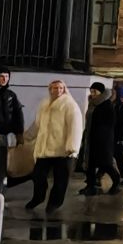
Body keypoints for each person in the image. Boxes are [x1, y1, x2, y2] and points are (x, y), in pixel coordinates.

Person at [22, 79, 83, 214]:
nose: (58, 90)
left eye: (61, 88)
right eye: (55, 88)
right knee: (38, 175)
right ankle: (38, 197)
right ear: (50, 89)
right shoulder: (44, 104)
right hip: (44, 149)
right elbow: (37, 124)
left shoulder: (69, 105)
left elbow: (76, 127)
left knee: (60, 179)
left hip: (63, 150)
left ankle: (54, 203)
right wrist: (27, 136)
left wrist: (72, 147)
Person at [79, 82, 123, 195]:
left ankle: (117, 181)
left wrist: (101, 134)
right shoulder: (92, 103)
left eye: (95, 91)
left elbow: (111, 123)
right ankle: (90, 186)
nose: (93, 94)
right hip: (91, 137)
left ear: (101, 92)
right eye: (91, 91)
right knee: (90, 163)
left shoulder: (107, 104)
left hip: (103, 139)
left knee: (105, 163)